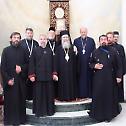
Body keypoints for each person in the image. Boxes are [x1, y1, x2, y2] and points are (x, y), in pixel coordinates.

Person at [88, 35, 122, 122]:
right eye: (101, 40)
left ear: (107, 41)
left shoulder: (113, 51)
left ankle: (109, 116)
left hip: (110, 79)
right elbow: (90, 63)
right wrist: (94, 65)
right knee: (99, 96)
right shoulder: (95, 52)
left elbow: (119, 65)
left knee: (109, 97)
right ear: (99, 41)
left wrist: (119, 76)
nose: (103, 41)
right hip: (98, 79)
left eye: (105, 39)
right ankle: (99, 116)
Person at [1, 32, 29, 125]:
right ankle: (10, 121)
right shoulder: (5, 50)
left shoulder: (24, 50)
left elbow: (28, 64)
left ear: (20, 40)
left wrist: (21, 68)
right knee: (11, 102)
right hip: (10, 82)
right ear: (10, 39)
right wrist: (8, 79)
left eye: (18, 38)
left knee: (20, 101)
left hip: (21, 81)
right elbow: (2, 67)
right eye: (14, 37)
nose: (16, 39)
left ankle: (21, 120)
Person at [28, 34, 55, 117]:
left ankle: (49, 111)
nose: (43, 41)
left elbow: (53, 64)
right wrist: (31, 75)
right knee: (39, 95)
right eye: (41, 39)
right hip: (38, 78)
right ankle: (39, 112)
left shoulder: (50, 50)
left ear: (46, 41)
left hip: (48, 78)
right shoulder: (35, 50)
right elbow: (31, 63)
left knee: (49, 95)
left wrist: (54, 74)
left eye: (44, 39)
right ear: (39, 41)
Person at [53, 30, 78, 101]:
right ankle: (62, 97)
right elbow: (55, 62)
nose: (65, 39)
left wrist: (76, 53)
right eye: (64, 37)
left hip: (71, 72)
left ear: (69, 38)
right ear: (61, 39)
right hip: (61, 72)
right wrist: (55, 73)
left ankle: (72, 97)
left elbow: (76, 60)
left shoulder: (73, 48)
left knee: (71, 83)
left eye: (67, 37)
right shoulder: (58, 49)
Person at [74, 27, 96, 99]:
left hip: (88, 63)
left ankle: (89, 94)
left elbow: (94, 52)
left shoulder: (91, 40)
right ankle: (81, 94)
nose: (83, 33)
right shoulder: (76, 41)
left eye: (85, 32)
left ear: (87, 32)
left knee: (88, 78)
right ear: (80, 32)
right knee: (80, 79)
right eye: (82, 32)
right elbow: (74, 53)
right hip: (79, 64)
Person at [21, 27, 39, 100]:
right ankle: (25, 97)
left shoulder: (35, 43)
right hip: (25, 66)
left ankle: (32, 96)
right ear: (25, 34)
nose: (30, 34)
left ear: (33, 34)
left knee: (33, 81)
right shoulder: (21, 43)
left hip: (34, 66)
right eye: (28, 33)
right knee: (25, 82)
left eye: (31, 33)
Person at [113, 31, 126, 102]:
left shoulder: (120, 47)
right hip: (112, 70)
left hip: (119, 70)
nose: (116, 38)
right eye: (114, 37)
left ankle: (120, 100)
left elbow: (123, 59)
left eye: (117, 37)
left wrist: (123, 71)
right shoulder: (109, 47)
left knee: (120, 86)